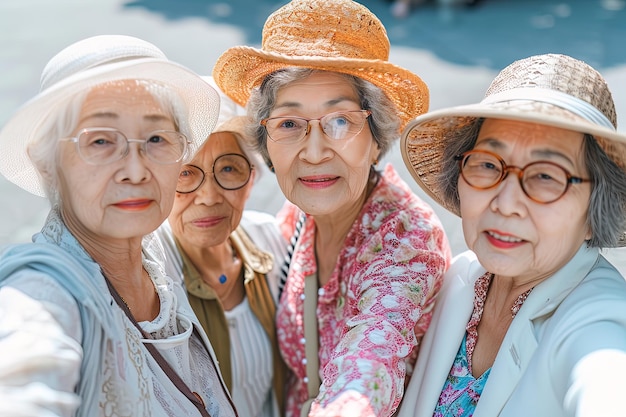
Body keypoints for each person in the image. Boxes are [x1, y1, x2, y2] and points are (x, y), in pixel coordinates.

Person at [212, 1, 452, 416]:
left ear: (376, 136)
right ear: (266, 141)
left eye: (340, 121)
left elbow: (372, 361)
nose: (315, 151)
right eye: (289, 124)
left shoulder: (406, 242)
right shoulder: (301, 216)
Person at [0, 35, 238, 417]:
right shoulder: (43, 291)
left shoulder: (156, 248)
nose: (135, 170)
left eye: (157, 138)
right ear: (47, 163)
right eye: (100, 142)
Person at [397, 53, 626, 417]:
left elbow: (605, 379)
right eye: (488, 165)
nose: (505, 204)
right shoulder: (461, 277)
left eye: (547, 176)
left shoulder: (601, 316)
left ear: (595, 213)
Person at [155, 80, 288, 417]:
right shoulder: (150, 269)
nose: (210, 197)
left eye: (228, 169)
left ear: (252, 178)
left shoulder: (270, 241)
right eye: (185, 173)